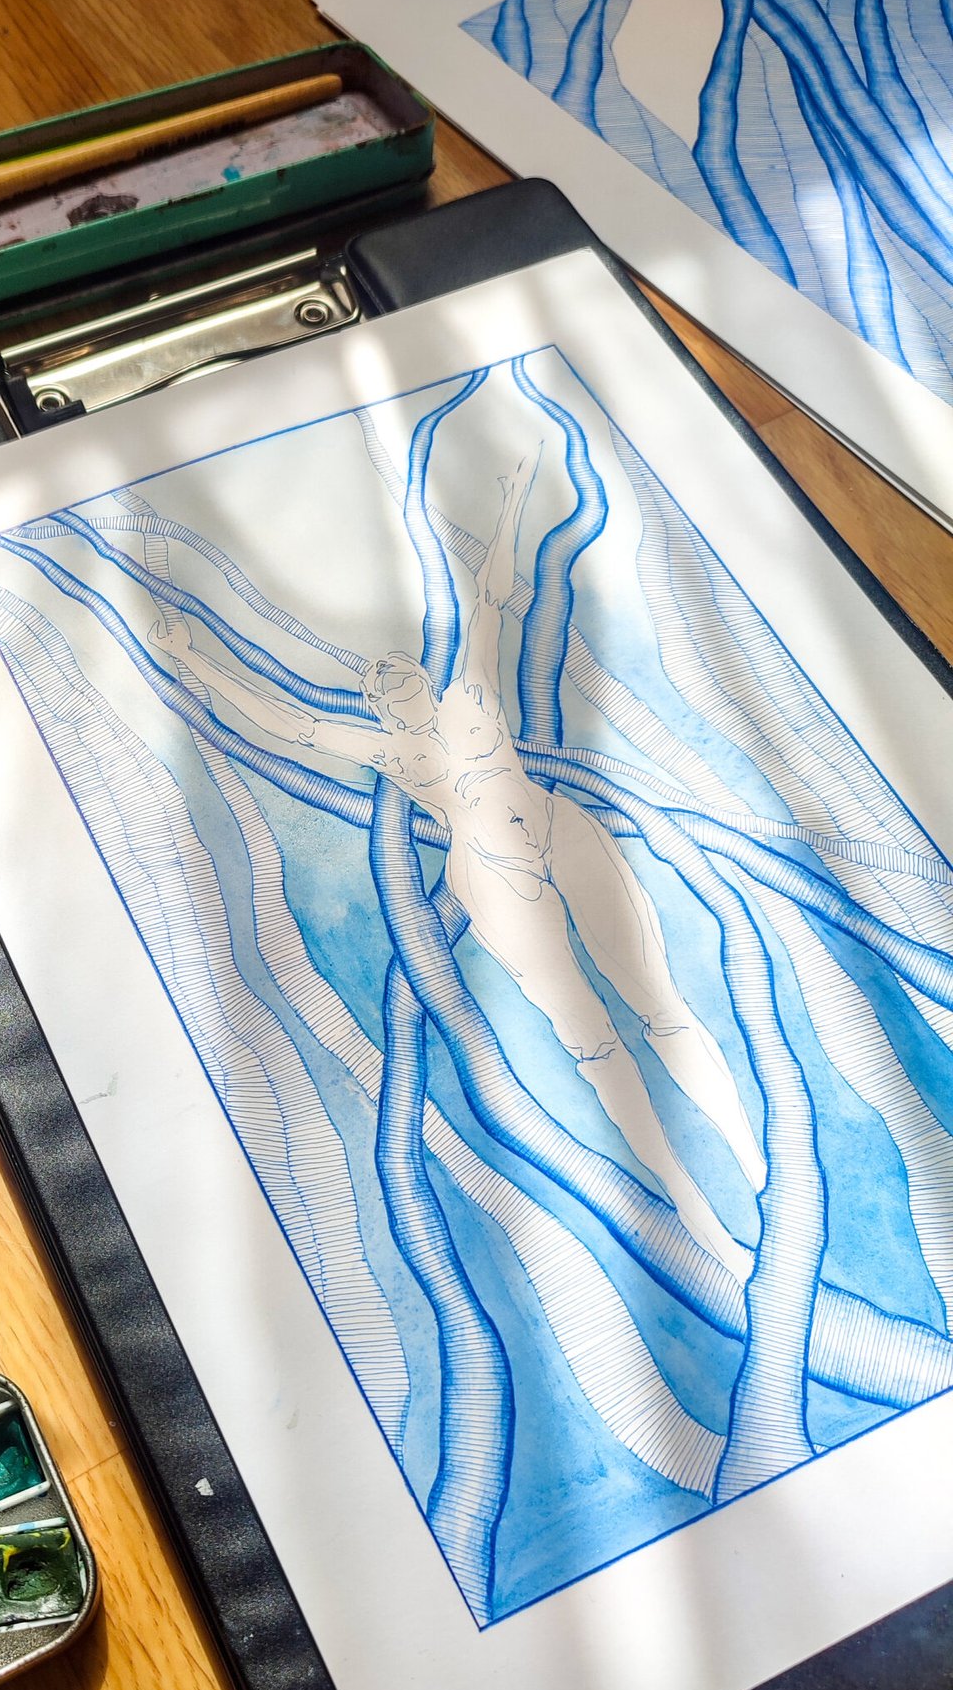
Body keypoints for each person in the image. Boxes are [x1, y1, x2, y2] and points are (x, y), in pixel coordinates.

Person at [149, 460, 765, 1280]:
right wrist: (194, 663)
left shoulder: (470, 693)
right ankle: (694, 1210)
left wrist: (508, 500)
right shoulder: (388, 749)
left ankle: (753, 1162)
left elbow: (487, 599)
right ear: (374, 705)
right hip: (493, 874)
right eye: (378, 684)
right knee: (592, 1041)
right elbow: (286, 722)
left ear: (418, 673)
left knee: (664, 1008)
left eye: (397, 668)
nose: (388, 678)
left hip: (557, 828)